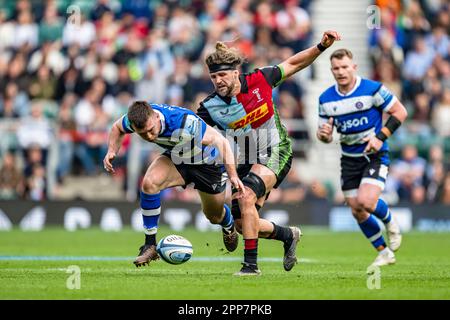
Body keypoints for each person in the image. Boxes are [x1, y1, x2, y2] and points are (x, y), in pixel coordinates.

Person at [197, 30, 341, 276]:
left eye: (222, 74)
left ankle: (250, 266)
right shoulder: (209, 107)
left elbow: (294, 63)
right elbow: (191, 131)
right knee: (243, 224)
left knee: (246, 196)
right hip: (247, 158)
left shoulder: (261, 79)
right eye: (213, 77)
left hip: (276, 150)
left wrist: (321, 47)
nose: (218, 80)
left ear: (235, 73)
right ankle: (288, 235)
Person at [103, 101, 245, 267]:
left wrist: (233, 175)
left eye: (151, 130)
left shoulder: (184, 122)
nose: (149, 136)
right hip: (178, 158)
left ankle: (228, 224)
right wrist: (112, 151)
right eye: (142, 134)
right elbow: (116, 128)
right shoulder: (134, 119)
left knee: (213, 215)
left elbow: (221, 142)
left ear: (156, 117)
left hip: (208, 165)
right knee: (149, 183)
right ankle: (150, 244)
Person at [316, 48, 407, 268]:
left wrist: (380, 137)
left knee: (367, 201)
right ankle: (384, 252)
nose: (341, 72)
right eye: (336, 68)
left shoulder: (372, 89)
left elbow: (400, 112)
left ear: (354, 67)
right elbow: (324, 135)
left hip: (374, 155)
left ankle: (390, 221)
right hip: (349, 159)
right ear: (331, 70)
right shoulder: (326, 99)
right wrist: (324, 136)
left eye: (345, 67)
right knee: (357, 208)